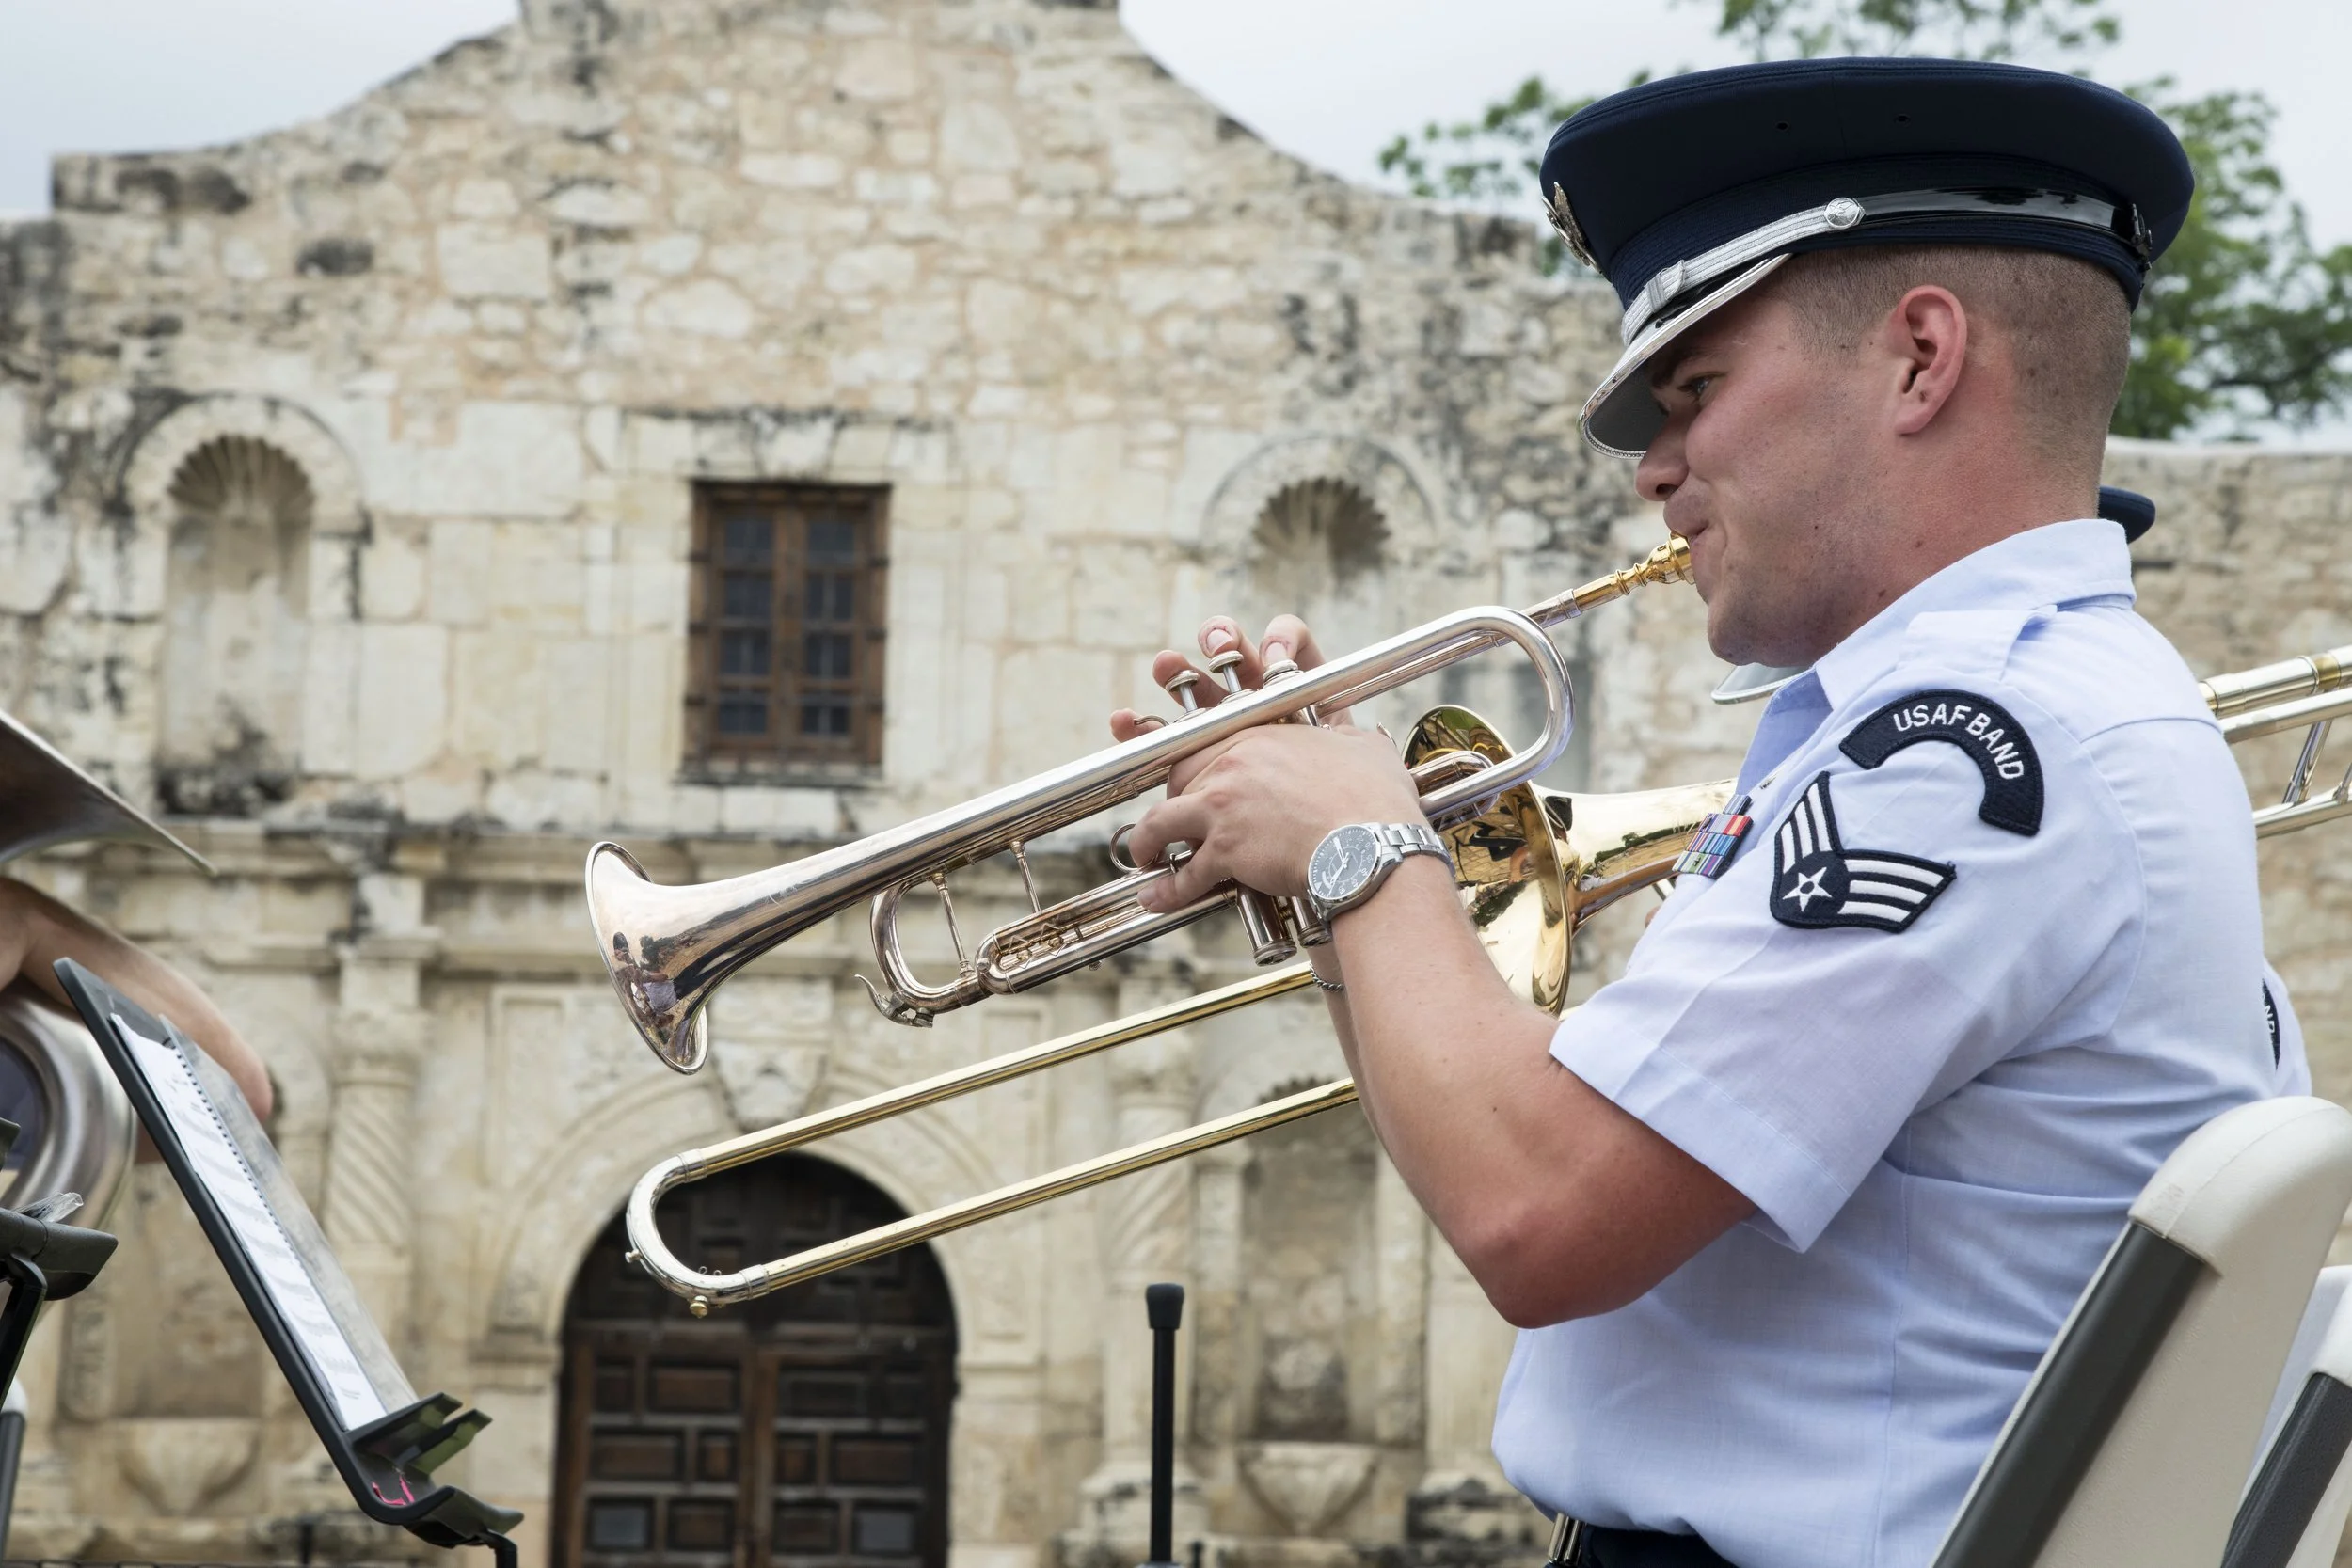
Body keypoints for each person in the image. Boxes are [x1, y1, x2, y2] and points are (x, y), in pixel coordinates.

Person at [1108, 58, 2285, 1568]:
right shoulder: (1974, 720)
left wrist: (1363, 841)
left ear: (1922, 358)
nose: (1657, 469)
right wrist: (1330, 870)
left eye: (1697, 391)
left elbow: (1540, 1209)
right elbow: (1531, 1155)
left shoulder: (1982, 745)